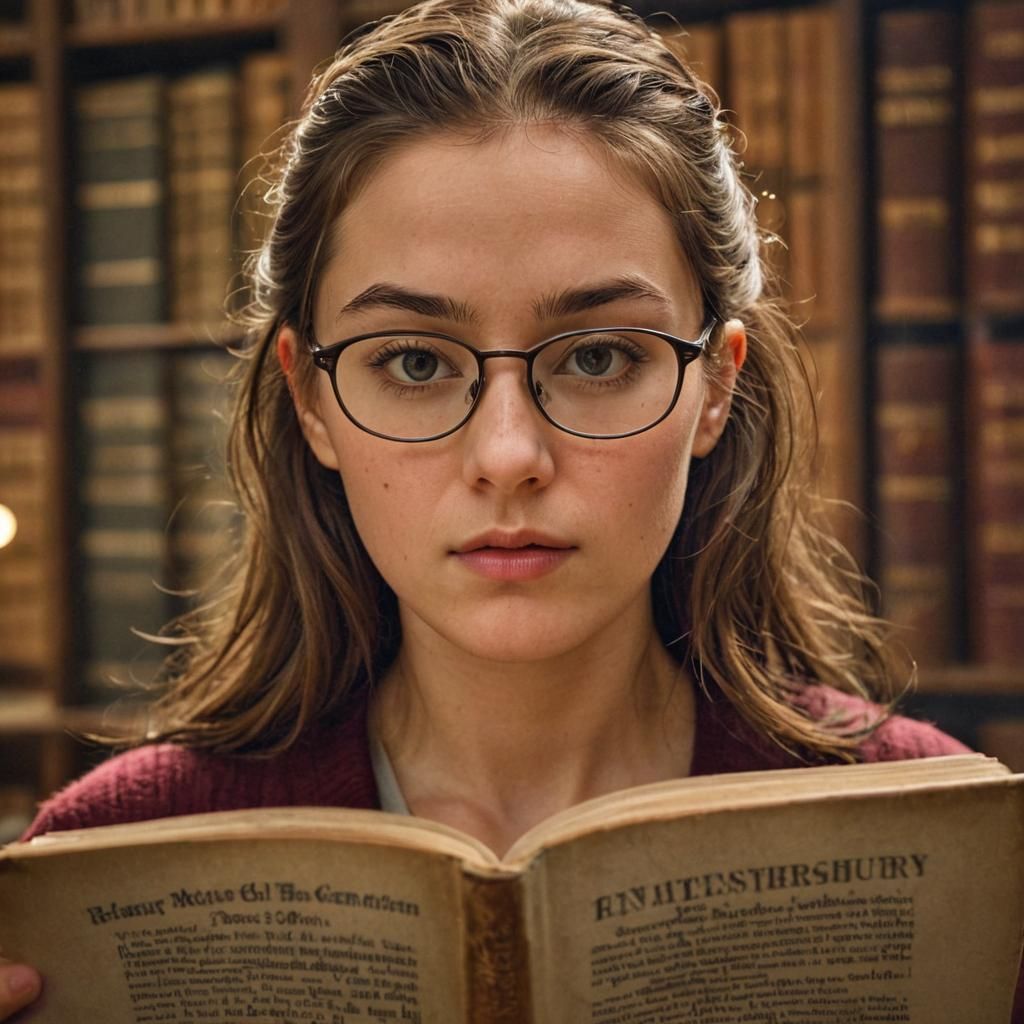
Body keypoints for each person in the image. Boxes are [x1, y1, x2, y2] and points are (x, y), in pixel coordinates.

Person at [2, 0, 995, 1016]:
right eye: (416, 361)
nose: (510, 455)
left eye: (600, 357)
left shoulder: (948, 849)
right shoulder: (103, 865)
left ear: (714, 387)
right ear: (310, 400)